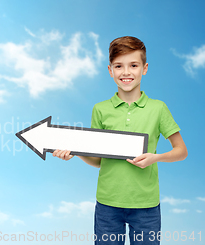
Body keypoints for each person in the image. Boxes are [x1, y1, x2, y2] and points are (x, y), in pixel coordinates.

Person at [52, 36, 188, 245]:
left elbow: (181, 151)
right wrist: (77, 152)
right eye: (119, 66)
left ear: (144, 68)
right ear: (110, 70)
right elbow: (98, 160)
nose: (126, 72)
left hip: (146, 205)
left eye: (133, 65)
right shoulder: (100, 109)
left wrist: (155, 158)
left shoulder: (158, 108)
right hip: (107, 204)